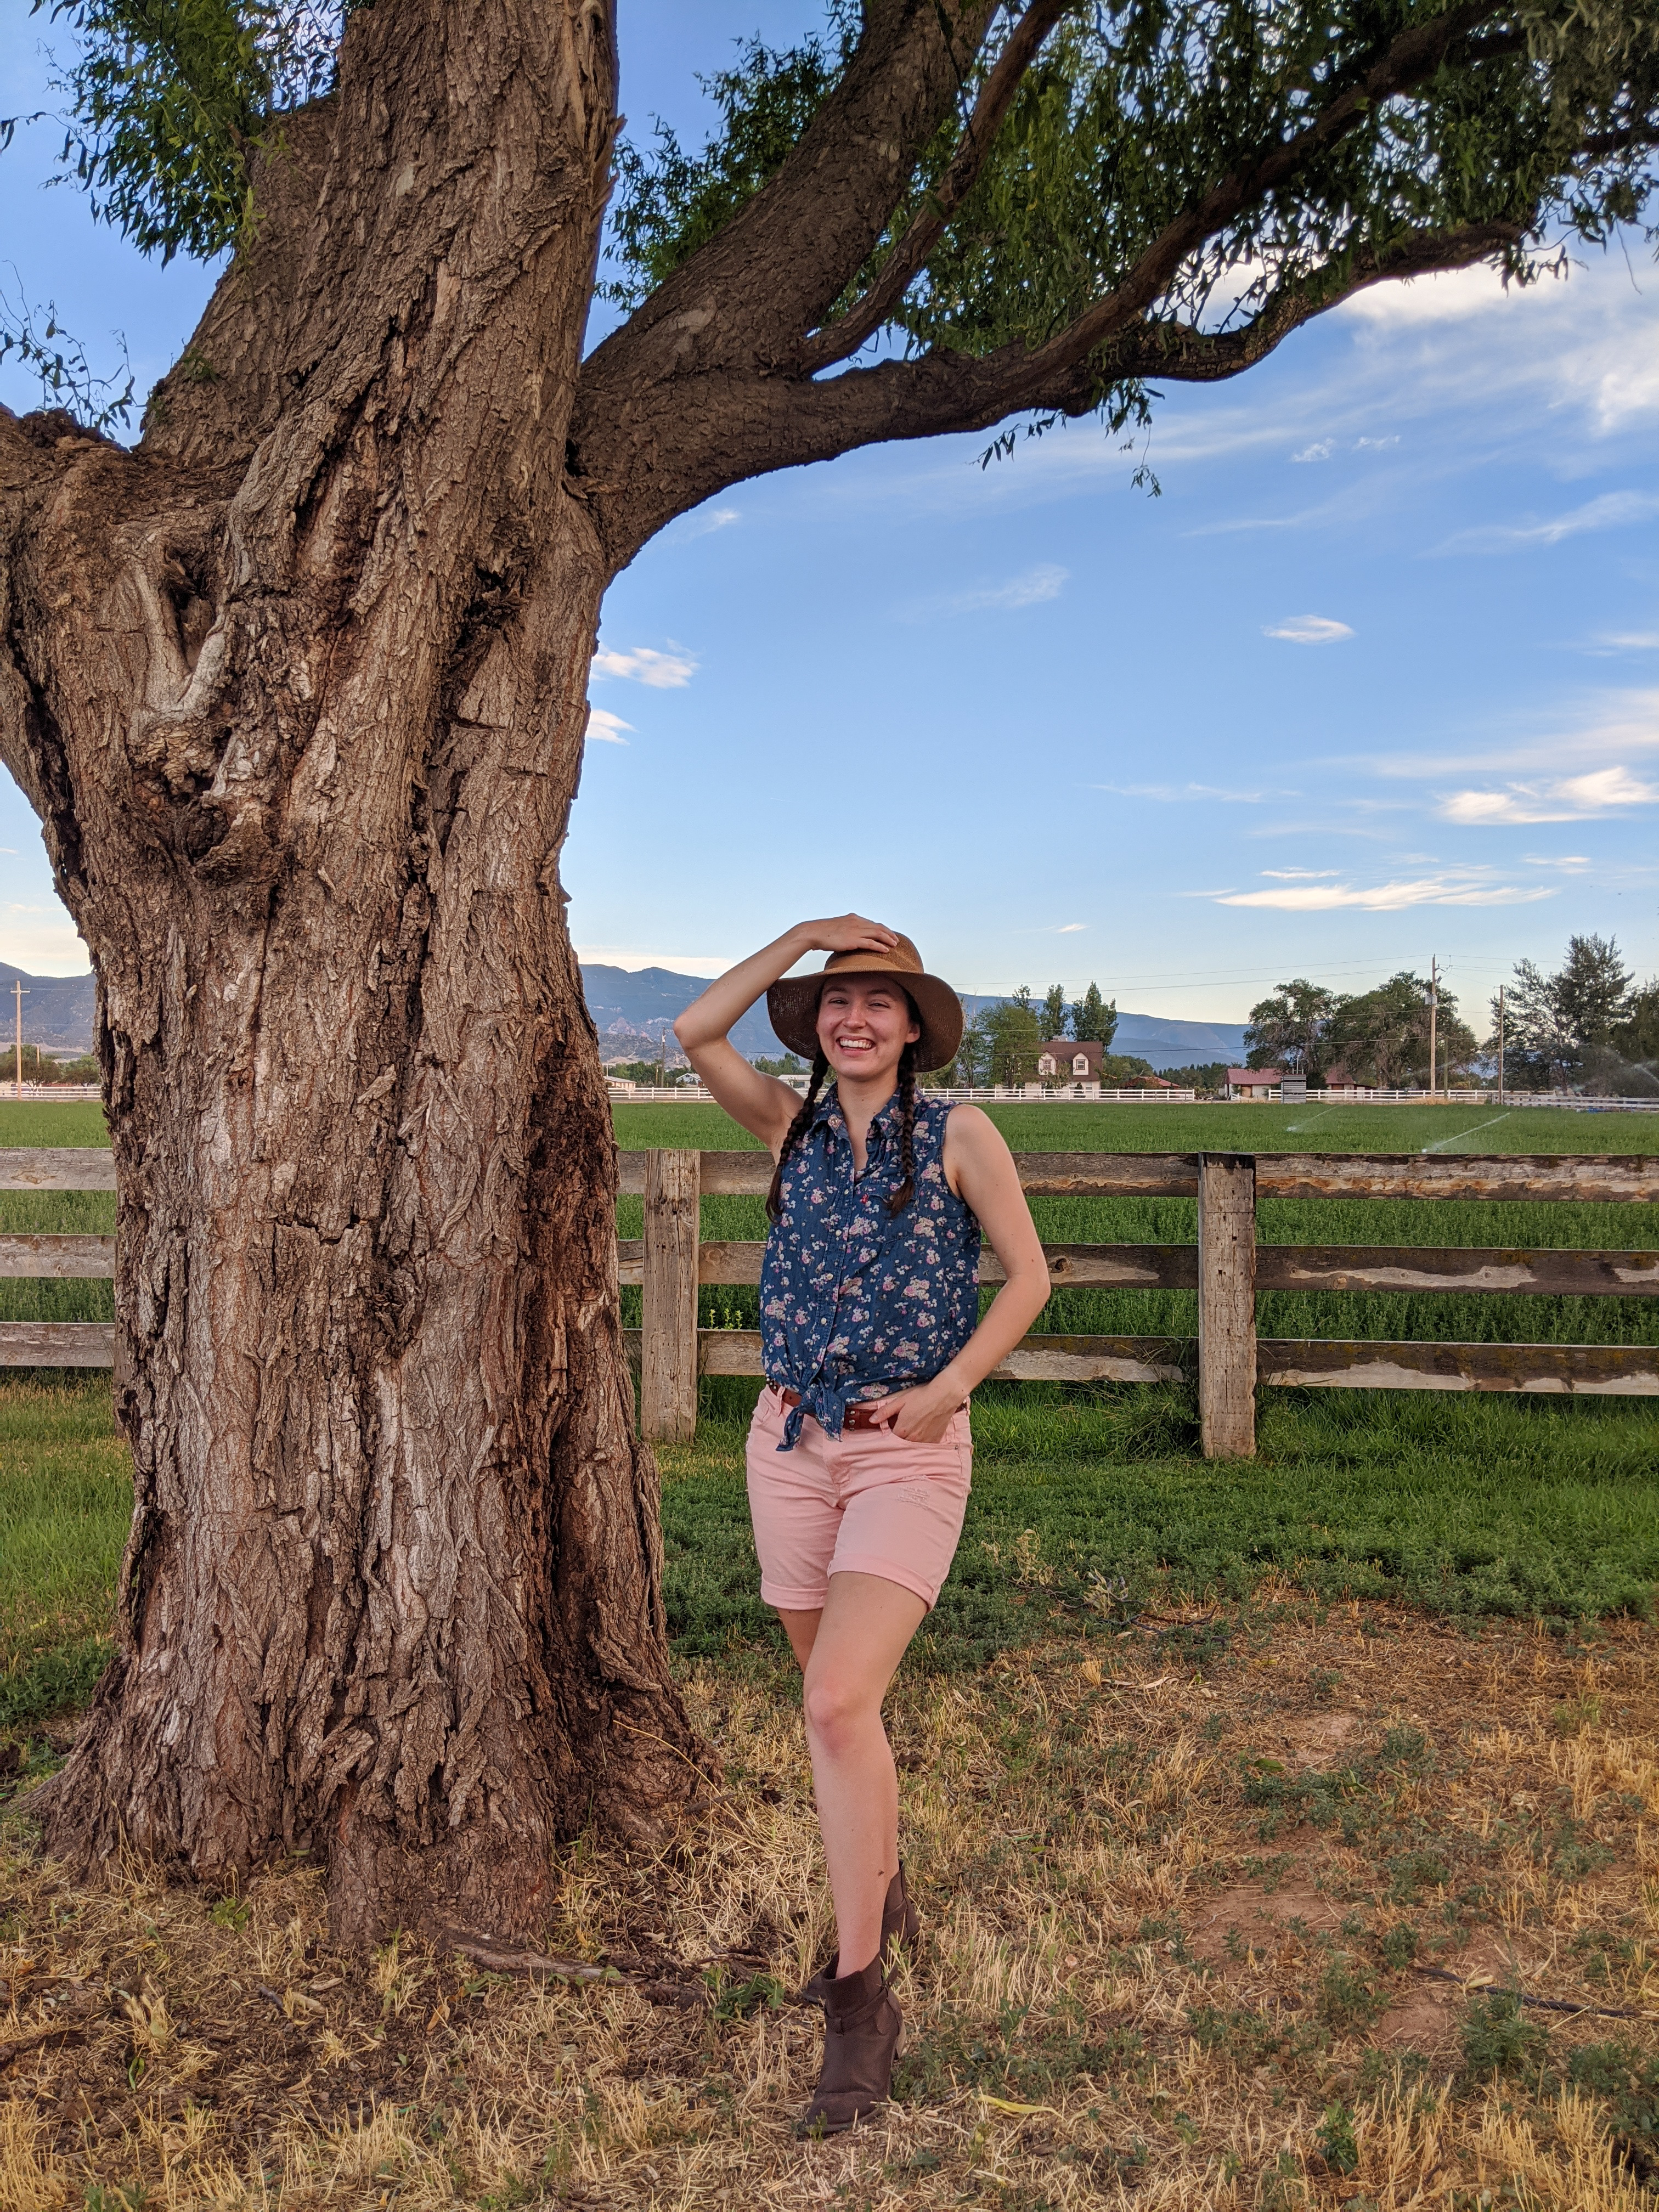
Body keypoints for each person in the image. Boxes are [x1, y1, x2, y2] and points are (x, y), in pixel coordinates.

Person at [673, 917, 1051, 2133]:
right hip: (787, 1444)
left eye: (881, 1002)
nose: (856, 1018)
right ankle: (878, 1891)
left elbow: (1033, 1277)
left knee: (834, 1705)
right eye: (839, 1000)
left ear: (915, 1026)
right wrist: (799, 936)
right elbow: (693, 1030)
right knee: (843, 1712)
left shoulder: (959, 1135)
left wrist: (951, 1390)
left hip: (904, 1450)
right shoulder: (787, 1130)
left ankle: (861, 2001)